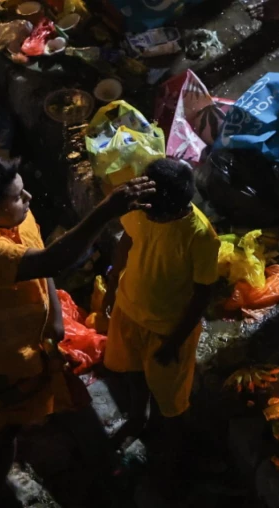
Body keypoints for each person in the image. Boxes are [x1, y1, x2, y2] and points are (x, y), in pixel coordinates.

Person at [0, 155, 155, 507]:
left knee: (1, 439)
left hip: (13, 365)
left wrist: (56, 321)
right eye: (18, 196)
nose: (28, 198)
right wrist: (106, 210)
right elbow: (51, 260)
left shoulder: (15, 217)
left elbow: (40, 254)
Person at [101, 159, 220, 490]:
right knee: (133, 373)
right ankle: (138, 420)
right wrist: (112, 289)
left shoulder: (200, 237)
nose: (148, 216)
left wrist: (175, 342)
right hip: (129, 313)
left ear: (178, 207)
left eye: (155, 213)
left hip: (167, 331)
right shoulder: (142, 208)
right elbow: (126, 241)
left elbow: (202, 295)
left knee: (171, 405)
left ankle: (170, 460)